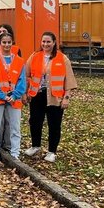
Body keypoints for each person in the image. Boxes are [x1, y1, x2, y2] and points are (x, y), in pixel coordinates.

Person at [24, 32, 77, 163]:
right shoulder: (34, 56)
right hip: (37, 95)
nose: (45, 44)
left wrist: (66, 97)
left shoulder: (62, 58)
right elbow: (25, 75)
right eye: (43, 41)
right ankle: (35, 146)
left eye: (48, 42)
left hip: (55, 97)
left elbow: (69, 79)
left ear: (54, 43)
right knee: (35, 122)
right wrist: (25, 92)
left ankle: (52, 151)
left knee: (54, 124)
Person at [0, 32, 26, 162]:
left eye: (9, 42)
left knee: (15, 128)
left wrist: (15, 95)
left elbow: (22, 81)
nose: (6, 45)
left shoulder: (19, 61)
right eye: (4, 42)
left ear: (12, 43)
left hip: (14, 99)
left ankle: (15, 153)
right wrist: (2, 96)